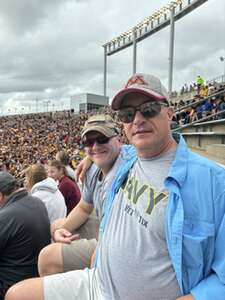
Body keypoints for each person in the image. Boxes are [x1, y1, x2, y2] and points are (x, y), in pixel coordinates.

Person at [5, 73, 225, 300]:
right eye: (128, 114)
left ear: (169, 113)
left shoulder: (214, 182)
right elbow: (104, 149)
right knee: (17, 295)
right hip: (98, 281)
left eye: (148, 109)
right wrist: (90, 155)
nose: (137, 119)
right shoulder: (128, 159)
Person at [38, 115, 132, 276]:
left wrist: (92, 155)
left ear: (119, 138)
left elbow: (155, 146)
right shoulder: (92, 168)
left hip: (121, 246)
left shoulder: (133, 164)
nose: (95, 146)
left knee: (47, 257)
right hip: (106, 230)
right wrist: (62, 229)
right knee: (55, 225)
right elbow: (83, 208)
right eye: (88, 142)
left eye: (102, 139)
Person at [0, 172, 51, 300]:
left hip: (11, 286)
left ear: (0, 196)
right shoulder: (38, 202)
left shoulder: (5, 217)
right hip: (36, 278)